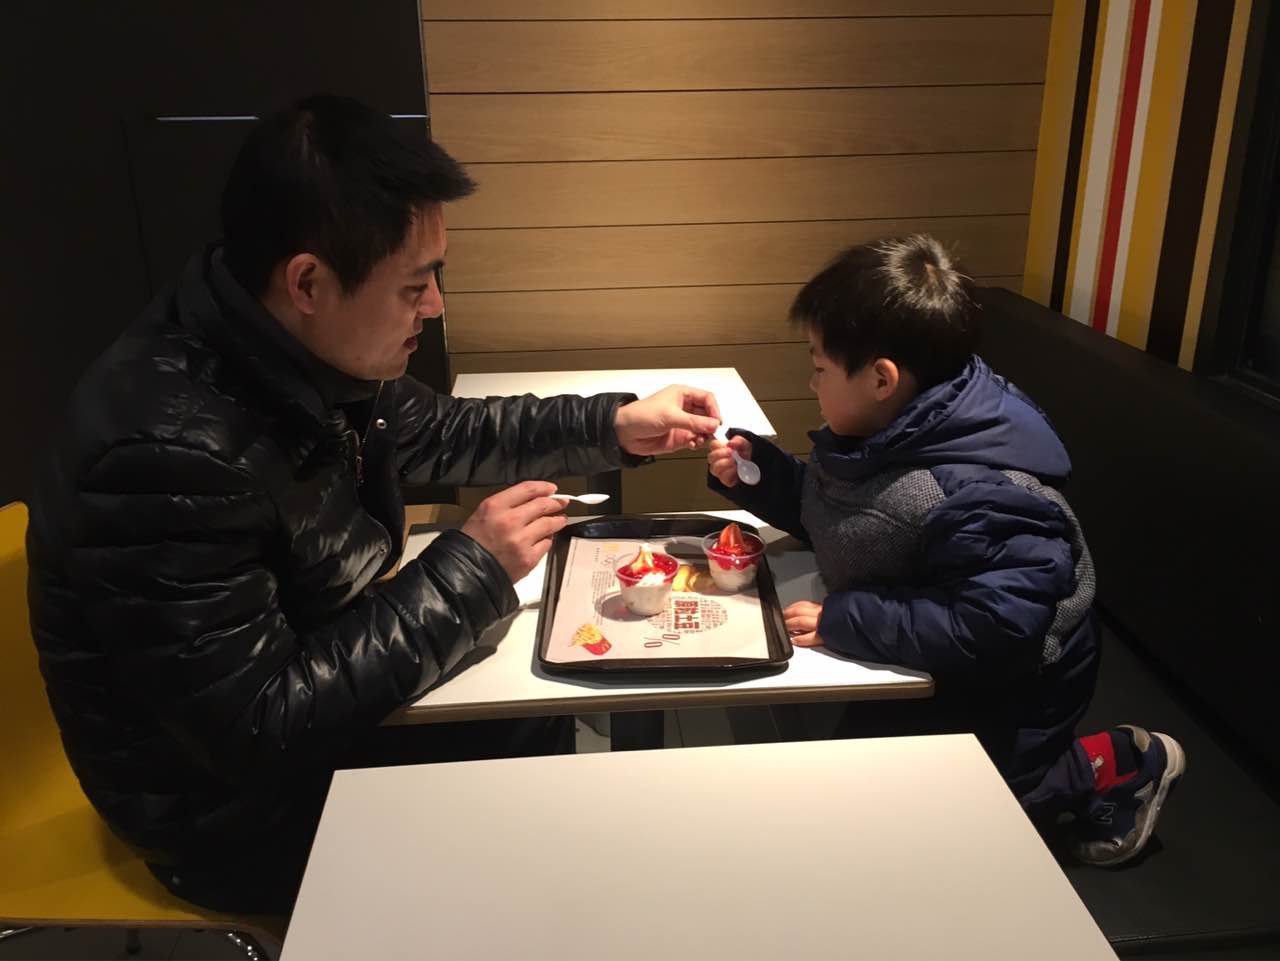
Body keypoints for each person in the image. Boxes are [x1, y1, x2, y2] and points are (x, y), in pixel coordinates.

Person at [25, 94, 721, 914]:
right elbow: (257, 729)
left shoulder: (294, 347)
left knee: (538, 739)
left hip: (305, 715)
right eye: (414, 285)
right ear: (308, 282)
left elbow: (446, 431)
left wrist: (614, 423)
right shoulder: (164, 454)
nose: (435, 307)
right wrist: (470, 568)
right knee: (540, 802)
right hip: (230, 818)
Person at [706, 235, 1184, 865]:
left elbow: (997, 628)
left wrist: (852, 620)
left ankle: (1119, 764)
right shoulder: (883, 432)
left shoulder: (979, 493)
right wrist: (761, 476)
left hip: (1017, 680)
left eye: (819, 367)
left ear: (881, 379)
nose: (810, 380)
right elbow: (851, 521)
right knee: (881, 776)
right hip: (931, 646)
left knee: (978, 801)